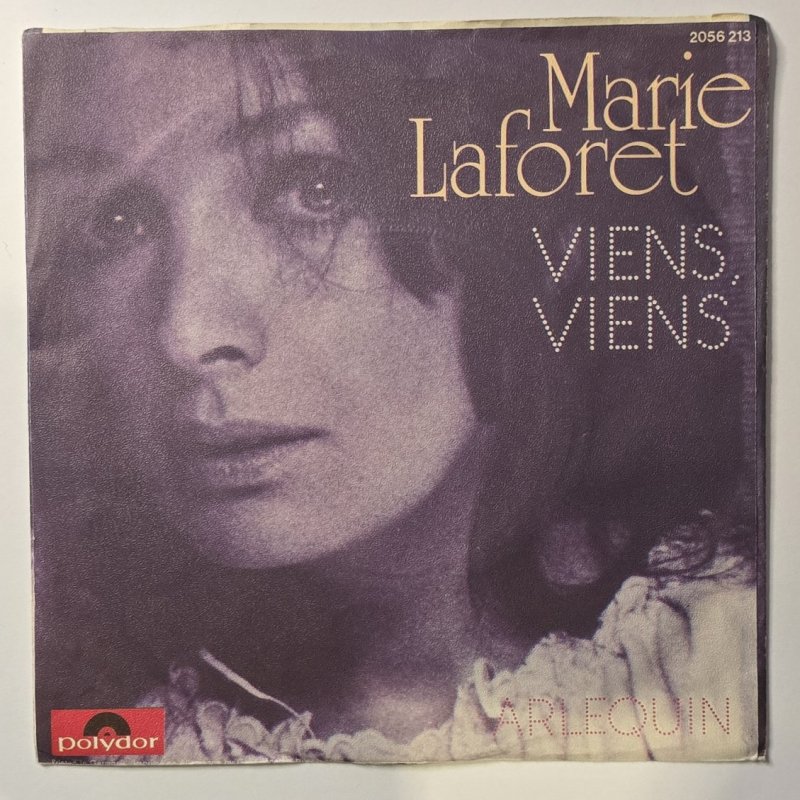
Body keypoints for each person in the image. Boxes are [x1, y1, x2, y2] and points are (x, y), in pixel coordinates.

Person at [26, 29, 758, 763]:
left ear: (518, 217)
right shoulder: (111, 738)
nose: (186, 333)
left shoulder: (730, 655)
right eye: (114, 222)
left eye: (315, 187)